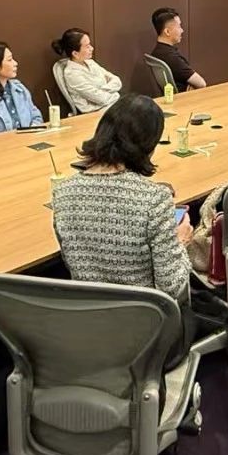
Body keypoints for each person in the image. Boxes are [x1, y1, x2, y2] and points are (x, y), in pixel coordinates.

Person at [50, 95, 193, 301]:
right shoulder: (155, 200)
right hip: (145, 317)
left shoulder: (62, 193)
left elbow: (71, 261)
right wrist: (180, 242)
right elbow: (172, 288)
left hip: (86, 314)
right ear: (149, 146)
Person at [53, 27, 123, 113]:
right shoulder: (72, 74)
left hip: (113, 104)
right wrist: (113, 93)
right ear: (75, 53)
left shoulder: (90, 62)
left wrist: (101, 90)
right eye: (87, 46)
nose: (92, 48)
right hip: (97, 112)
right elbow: (102, 99)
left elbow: (117, 81)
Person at [150, 7, 206, 92]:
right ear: (167, 32)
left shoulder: (157, 51)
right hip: (184, 97)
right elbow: (201, 84)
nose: (182, 30)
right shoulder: (171, 57)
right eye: (179, 26)